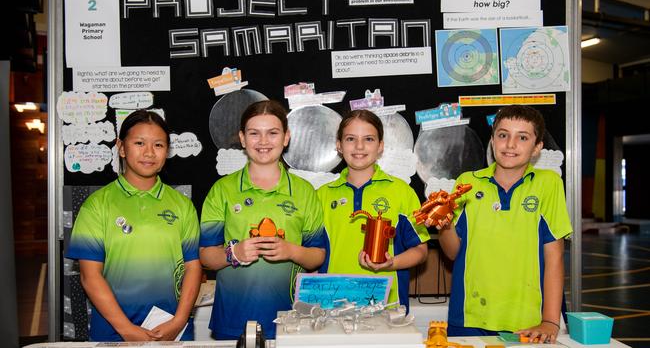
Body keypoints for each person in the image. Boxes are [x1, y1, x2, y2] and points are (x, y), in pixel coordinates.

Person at [436, 105, 572, 343]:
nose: (510, 144)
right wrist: (444, 226)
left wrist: (550, 320)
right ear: (492, 140)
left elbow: (554, 257)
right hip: (469, 316)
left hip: (528, 321)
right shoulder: (467, 183)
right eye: (503, 135)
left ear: (537, 147)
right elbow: (453, 252)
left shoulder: (548, 184)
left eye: (522, 137)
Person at [66, 110, 202, 342]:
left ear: (166, 151)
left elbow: (193, 267)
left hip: (171, 331)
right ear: (121, 147)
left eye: (158, 145)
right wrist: (128, 330)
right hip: (113, 332)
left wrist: (178, 321)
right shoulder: (97, 204)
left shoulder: (182, 205)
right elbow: (90, 277)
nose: (149, 153)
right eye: (139, 143)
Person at [199, 99, 328, 339]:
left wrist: (290, 251)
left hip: (291, 319)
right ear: (242, 138)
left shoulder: (304, 191)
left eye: (272, 133)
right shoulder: (223, 189)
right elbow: (206, 256)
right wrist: (233, 253)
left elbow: (317, 256)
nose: (264, 142)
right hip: (234, 320)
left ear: (286, 137)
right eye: (254, 133)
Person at [317, 109, 430, 309]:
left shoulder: (402, 192)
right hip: (333, 306)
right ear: (339, 146)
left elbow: (421, 251)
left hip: (387, 308)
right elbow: (313, 254)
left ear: (380, 147)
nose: (359, 146)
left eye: (368, 139)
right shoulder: (322, 196)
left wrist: (391, 263)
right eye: (350, 139)